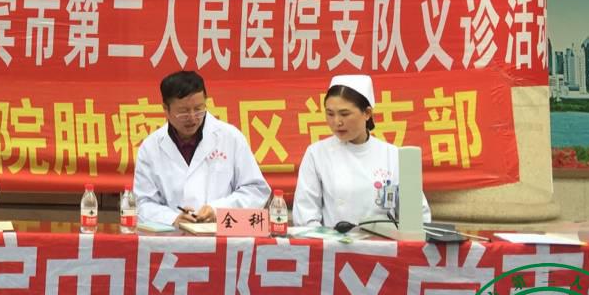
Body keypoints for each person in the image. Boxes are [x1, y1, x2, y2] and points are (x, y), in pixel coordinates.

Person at [292, 74, 432, 229]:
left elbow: (417, 216)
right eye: (330, 114)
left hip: (384, 242)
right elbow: (306, 215)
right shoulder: (317, 154)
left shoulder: (392, 155)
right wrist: (326, 239)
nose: (337, 122)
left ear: (367, 113)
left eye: (344, 114)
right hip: (333, 242)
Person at [133, 69, 270, 228]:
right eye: (183, 112)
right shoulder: (150, 148)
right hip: (171, 237)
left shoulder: (230, 137)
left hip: (222, 235)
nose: (192, 118)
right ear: (166, 109)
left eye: (198, 109)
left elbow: (256, 190)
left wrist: (217, 210)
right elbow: (144, 203)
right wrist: (173, 218)